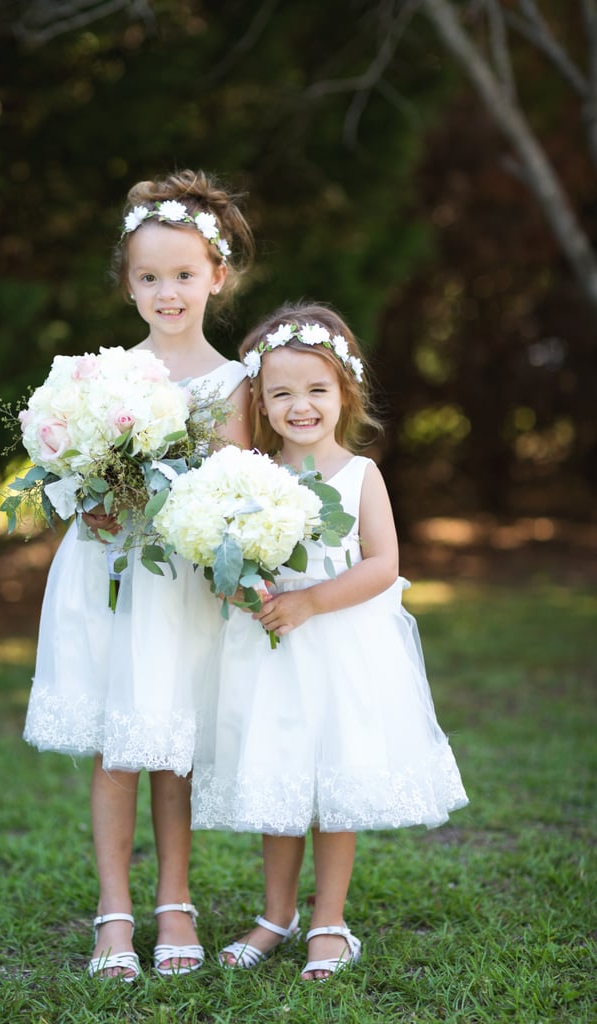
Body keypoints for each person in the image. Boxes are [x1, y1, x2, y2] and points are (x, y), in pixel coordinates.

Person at [191, 301, 468, 981]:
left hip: (339, 648)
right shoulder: (249, 476)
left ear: (343, 392)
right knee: (277, 781)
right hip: (270, 652)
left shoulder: (360, 473)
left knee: (331, 788)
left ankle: (329, 921)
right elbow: (222, 556)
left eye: (315, 390)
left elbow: (382, 564)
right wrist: (237, 585)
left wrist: (311, 599)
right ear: (259, 399)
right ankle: (274, 913)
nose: (300, 405)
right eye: (281, 393)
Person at [23, 170, 255, 981]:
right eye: (149, 277)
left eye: (183, 275)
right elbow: (60, 475)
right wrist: (85, 491)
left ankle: (176, 901)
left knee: (172, 744)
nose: (167, 291)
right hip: (108, 577)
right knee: (117, 747)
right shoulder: (99, 379)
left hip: (179, 586)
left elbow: (230, 490)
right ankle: (114, 912)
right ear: (128, 285)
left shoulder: (232, 384)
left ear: (215, 277)